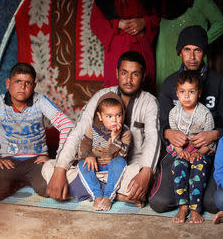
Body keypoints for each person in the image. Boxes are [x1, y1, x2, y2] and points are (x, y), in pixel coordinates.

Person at [44, 51, 160, 208]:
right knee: (50, 168)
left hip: (127, 168)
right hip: (95, 165)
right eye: (124, 73)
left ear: (143, 75)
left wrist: (146, 174)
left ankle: (91, 191)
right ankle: (118, 195)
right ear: (117, 73)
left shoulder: (149, 102)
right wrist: (60, 169)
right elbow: (78, 132)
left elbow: (153, 138)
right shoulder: (102, 96)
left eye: (135, 74)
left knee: (147, 174)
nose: (129, 79)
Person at [0, 63, 74, 202]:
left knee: (51, 190)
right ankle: (17, 181)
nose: (22, 87)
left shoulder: (40, 101)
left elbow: (67, 126)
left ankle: (26, 179)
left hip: (37, 160)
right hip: (8, 160)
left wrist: (58, 159)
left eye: (27, 83)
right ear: (8, 83)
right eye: (17, 81)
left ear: (34, 87)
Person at [149, 25, 223, 214]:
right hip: (179, 153)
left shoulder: (217, 82)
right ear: (180, 52)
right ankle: (183, 200)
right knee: (160, 202)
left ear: (204, 52)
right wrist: (168, 132)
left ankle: (198, 195)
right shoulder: (170, 83)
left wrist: (214, 134)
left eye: (197, 50)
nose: (192, 56)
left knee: (213, 203)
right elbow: (160, 123)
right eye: (187, 50)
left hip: (208, 152)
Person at [90, 0, 159, 93]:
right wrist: (117, 24)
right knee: (116, 93)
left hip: (141, 46)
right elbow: (96, 22)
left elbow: (157, 19)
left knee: (143, 89)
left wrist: (144, 22)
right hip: (117, 49)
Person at [155, 0, 223, 92]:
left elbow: (220, 23)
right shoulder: (160, 1)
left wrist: (201, 43)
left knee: (191, 94)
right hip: (163, 61)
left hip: (190, 60)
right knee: (167, 97)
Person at [167, 70, 214, 224]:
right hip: (181, 150)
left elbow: (210, 142)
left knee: (198, 168)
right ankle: (183, 207)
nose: (186, 96)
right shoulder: (174, 113)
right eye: (182, 92)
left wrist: (199, 153)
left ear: (199, 93)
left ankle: (195, 209)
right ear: (177, 93)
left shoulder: (205, 113)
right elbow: (174, 140)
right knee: (178, 166)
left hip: (201, 151)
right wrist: (180, 151)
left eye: (191, 91)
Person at [77, 92, 131, 211]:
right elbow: (85, 143)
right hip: (96, 166)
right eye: (109, 116)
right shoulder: (93, 129)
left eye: (118, 115)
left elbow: (120, 155)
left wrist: (115, 137)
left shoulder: (126, 132)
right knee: (82, 165)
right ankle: (97, 195)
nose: (114, 120)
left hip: (112, 168)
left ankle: (108, 196)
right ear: (100, 116)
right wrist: (89, 156)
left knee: (120, 162)